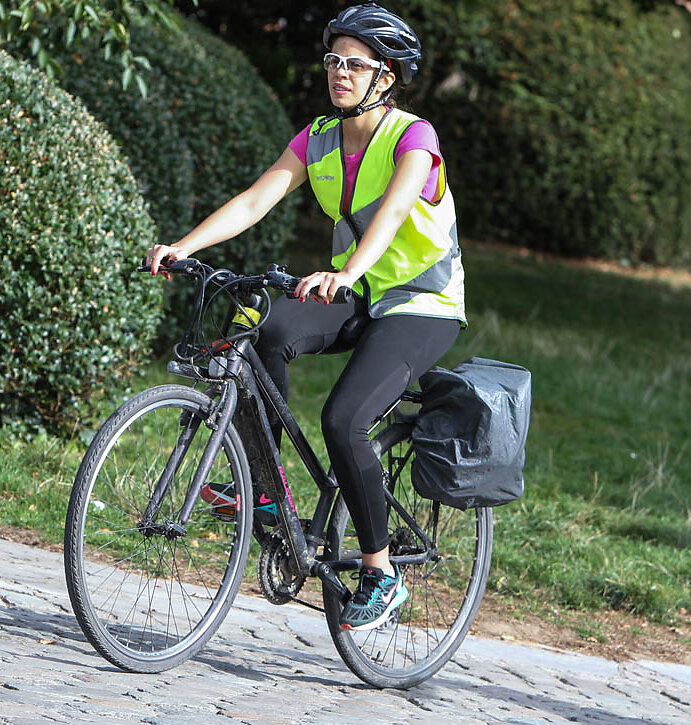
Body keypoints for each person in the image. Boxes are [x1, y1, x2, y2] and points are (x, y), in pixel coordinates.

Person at [145, 2, 466, 631]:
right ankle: (266, 490)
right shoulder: (318, 138)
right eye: (333, 60)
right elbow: (255, 200)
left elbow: (394, 213)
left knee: (344, 420)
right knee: (258, 330)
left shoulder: (414, 138)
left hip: (420, 304)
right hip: (357, 291)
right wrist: (184, 246)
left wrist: (345, 271)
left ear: (387, 76)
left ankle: (381, 572)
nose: (339, 72)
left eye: (355, 64)